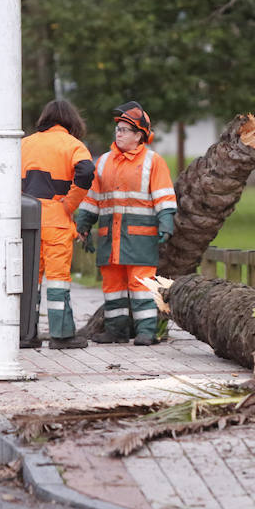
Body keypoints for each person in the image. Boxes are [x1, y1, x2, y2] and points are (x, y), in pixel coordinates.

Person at [75, 101, 176, 345]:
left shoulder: (153, 162)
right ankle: (116, 332)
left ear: (139, 135)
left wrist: (166, 224)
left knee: (142, 286)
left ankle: (146, 332)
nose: (118, 133)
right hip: (111, 238)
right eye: (117, 129)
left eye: (124, 130)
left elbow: (164, 196)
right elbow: (92, 199)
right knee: (113, 288)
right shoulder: (104, 162)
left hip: (140, 238)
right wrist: (84, 226)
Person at [21, 100, 95, 349]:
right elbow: (86, 172)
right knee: (57, 280)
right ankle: (61, 335)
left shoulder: (25, 143)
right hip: (56, 221)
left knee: (29, 279)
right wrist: (70, 203)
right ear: (72, 121)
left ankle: (26, 334)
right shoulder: (73, 145)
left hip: (26, 219)